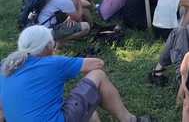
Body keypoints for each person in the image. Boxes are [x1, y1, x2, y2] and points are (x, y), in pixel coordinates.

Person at [0, 25, 151, 122]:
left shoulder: (6, 67)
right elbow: (98, 63)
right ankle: (129, 120)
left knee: (87, 111)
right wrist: (65, 64)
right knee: (98, 75)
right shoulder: (53, 63)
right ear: (47, 46)